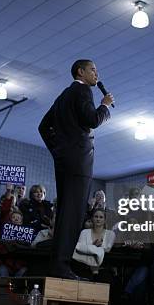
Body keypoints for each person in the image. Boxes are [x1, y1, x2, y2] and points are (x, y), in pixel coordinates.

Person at [38, 59, 113, 279]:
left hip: (64, 161)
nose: (96, 74)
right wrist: (105, 105)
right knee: (74, 215)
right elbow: (93, 119)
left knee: (64, 213)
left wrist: (59, 151)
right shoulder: (83, 92)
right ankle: (61, 266)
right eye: (93, 70)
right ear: (80, 72)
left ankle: (57, 265)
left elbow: (43, 127)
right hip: (79, 161)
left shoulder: (63, 96)